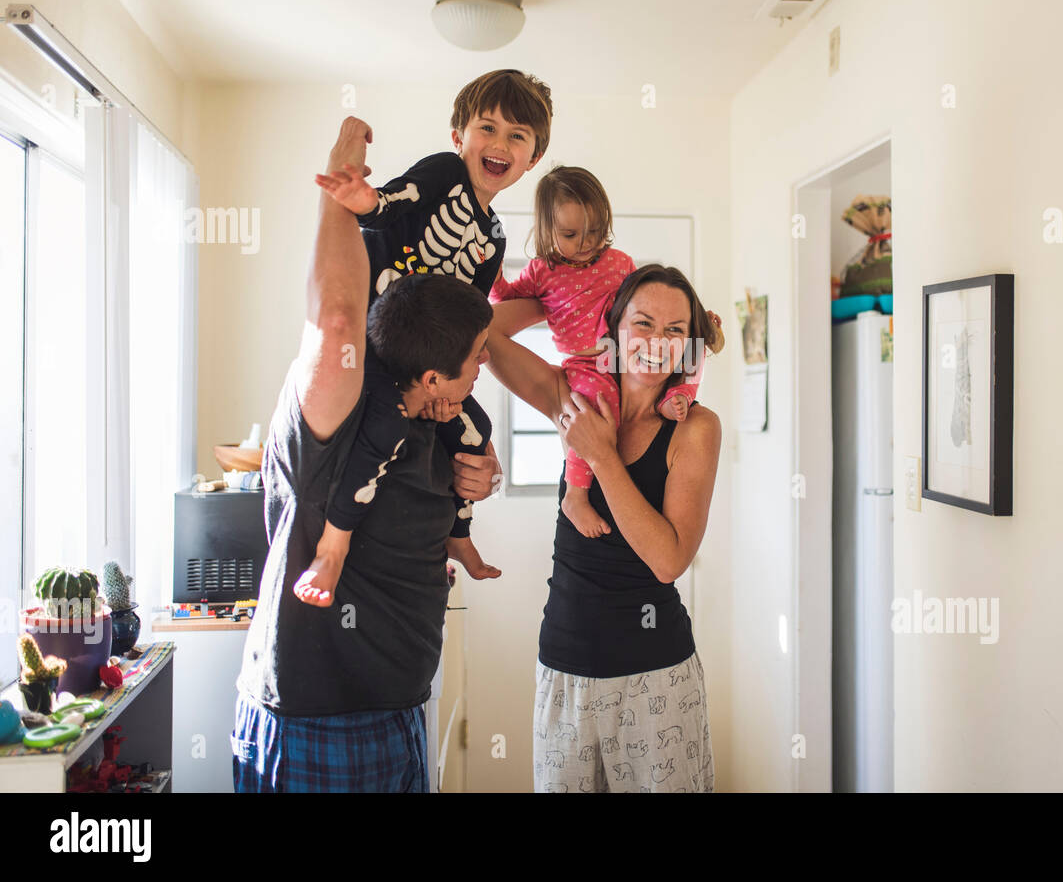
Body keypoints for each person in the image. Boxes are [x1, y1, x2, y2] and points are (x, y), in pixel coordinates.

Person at [231, 117, 503, 792]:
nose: (481, 372)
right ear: (437, 372)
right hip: (317, 720)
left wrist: (478, 473)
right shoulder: (341, 409)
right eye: (475, 362)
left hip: (401, 708)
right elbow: (339, 316)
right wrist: (340, 188)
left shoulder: (432, 419)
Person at [295, 69, 553, 607]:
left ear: (532, 159)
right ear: (460, 136)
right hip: (378, 340)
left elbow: (468, 316)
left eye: (517, 137)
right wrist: (364, 200)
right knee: (383, 429)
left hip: (427, 364)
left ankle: (459, 539)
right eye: (488, 127)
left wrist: (447, 391)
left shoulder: (496, 239)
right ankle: (334, 546)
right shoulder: (443, 172)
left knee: (476, 429)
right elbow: (395, 201)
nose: (500, 144)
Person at [486, 261, 723, 793]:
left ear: (690, 345)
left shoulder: (695, 427)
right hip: (564, 666)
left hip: (655, 675)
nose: (656, 342)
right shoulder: (575, 396)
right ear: (612, 327)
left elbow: (669, 561)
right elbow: (487, 333)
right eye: (642, 323)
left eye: (675, 330)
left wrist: (604, 459)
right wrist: (551, 298)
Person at [491, 166, 724, 538]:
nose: (585, 243)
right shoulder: (542, 272)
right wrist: (526, 293)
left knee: (689, 348)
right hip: (584, 362)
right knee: (597, 410)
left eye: (596, 232)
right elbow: (501, 304)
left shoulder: (618, 263)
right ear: (548, 231)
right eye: (570, 234)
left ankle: (677, 394)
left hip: (614, 351)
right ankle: (577, 494)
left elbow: (645, 309)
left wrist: (695, 323)